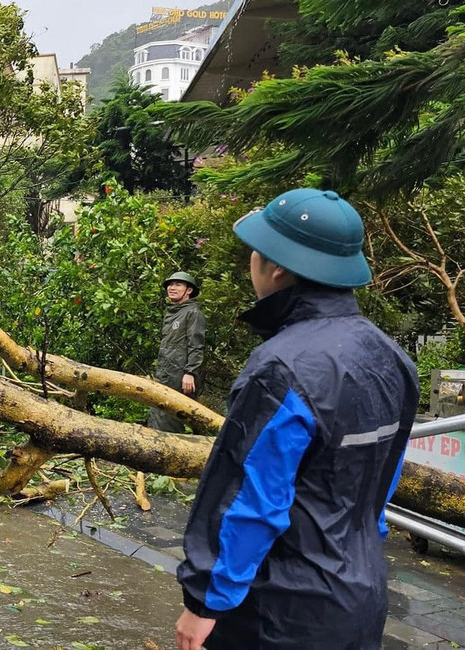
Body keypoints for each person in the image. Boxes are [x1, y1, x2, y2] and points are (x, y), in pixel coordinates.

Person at [174, 189, 418, 650]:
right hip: (360, 596)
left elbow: (250, 499)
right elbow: (382, 483)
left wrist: (205, 601)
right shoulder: (392, 359)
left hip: (280, 610)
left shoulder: (281, 368)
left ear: (278, 267)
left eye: (255, 250)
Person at [148, 271, 207, 432]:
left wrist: (190, 372)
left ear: (189, 290)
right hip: (165, 373)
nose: (172, 288)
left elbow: (196, 345)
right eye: (170, 284)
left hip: (181, 376)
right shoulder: (173, 313)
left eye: (178, 284)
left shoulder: (193, 313)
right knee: (159, 415)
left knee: (172, 420)